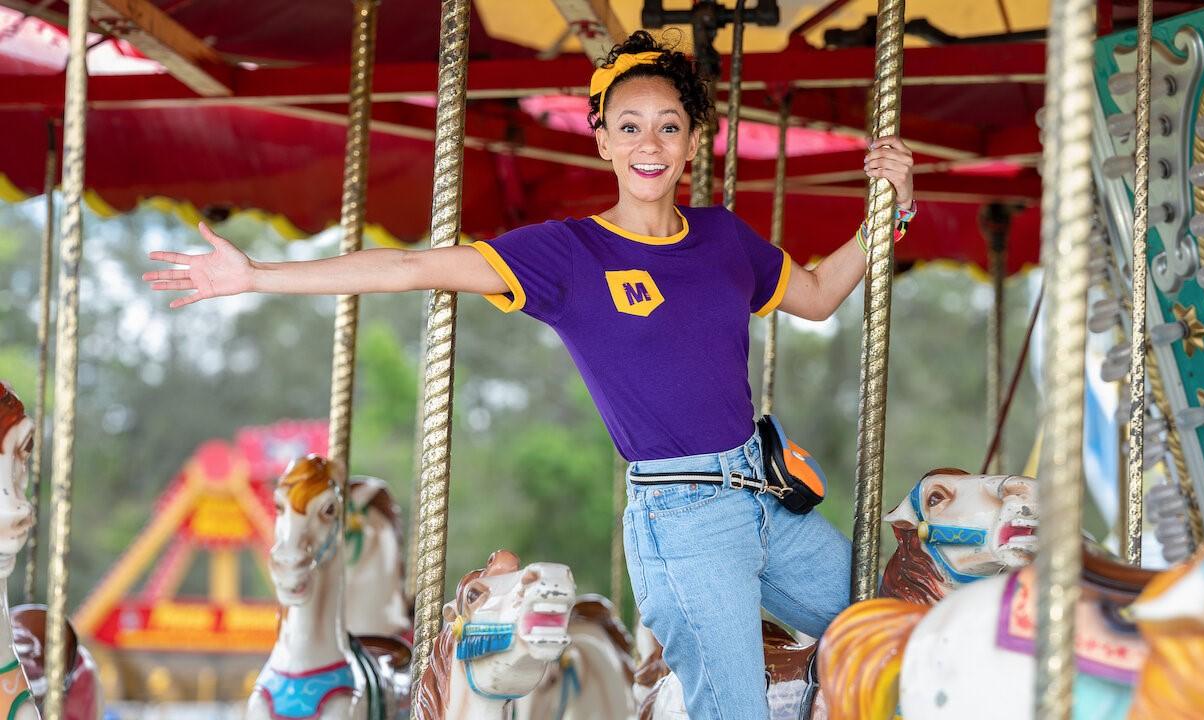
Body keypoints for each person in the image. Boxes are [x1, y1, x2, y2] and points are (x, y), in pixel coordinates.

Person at [145, 31, 915, 719]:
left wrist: (891, 210)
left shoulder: (721, 238)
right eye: (630, 127)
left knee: (893, 625)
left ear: (694, 142)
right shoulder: (568, 254)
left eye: (668, 126)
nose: (650, 142)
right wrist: (258, 277)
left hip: (762, 496)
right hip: (683, 520)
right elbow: (413, 266)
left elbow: (816, 295)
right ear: (604, 142)